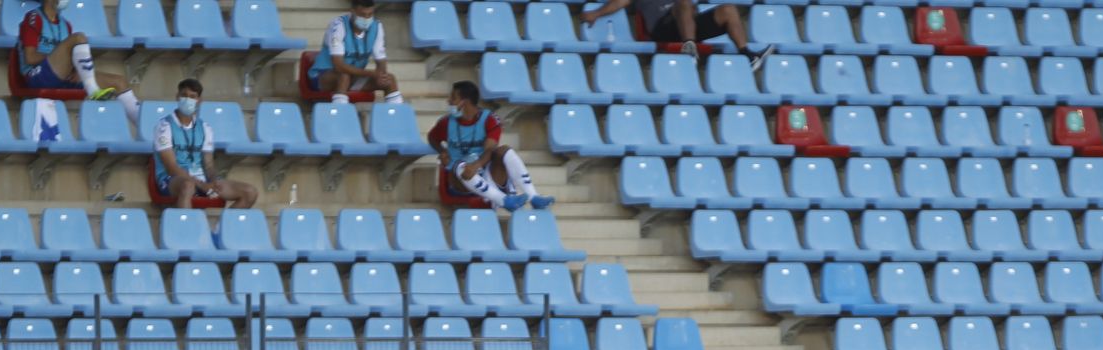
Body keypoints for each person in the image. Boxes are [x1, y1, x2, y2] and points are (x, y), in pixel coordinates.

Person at [429, 81, 553, 212]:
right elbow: (432, 138)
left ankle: (533, 197)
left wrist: (476, 165)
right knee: (461, 167)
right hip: (459, 177)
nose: (449, 101)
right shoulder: (446, 122)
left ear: (464, 102)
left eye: (453, 98)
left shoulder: (489, 119)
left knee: (505, 150)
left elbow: (490, 149)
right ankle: (504, 200)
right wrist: (442, 151)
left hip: (486, 170)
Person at [16, 0, 139, 123]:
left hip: (63, 76)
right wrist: (60, 58)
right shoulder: (33, 18)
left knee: (119, 82)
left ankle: (148, 129)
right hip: (37, 76)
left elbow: (69, 57)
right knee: (78, 37)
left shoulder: (65, 24)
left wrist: (74, 68)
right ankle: (93, 90)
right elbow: (30, 58)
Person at [153, 79, 259, 209]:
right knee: (188, 186)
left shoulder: (205, 127)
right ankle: (187, 229)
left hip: (201, 179)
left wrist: (214, 181)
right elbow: (171, 167)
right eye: (184, 95)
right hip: (171, 180)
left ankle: (220, 229)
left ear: (199, 100)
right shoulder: (164, 126)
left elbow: (208, 164)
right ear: (177, 97)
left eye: (192, 97)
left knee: (249, 192)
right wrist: (202, 185)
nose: (188, 100)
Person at [581, 0, 774, 69]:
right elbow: (619, 2)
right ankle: (689, 47)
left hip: (686, 24)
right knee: (683, 2)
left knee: (728, 9)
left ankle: (748, 55)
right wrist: (596, 14)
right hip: (663, 28)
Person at [308, 0, 403, 104]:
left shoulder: (377, 26)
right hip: (323, 77)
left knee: (390, 80)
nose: (366, 19)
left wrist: (381, 75)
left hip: (354, 77)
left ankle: (396, 117)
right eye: (362, 15)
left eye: (370, 14)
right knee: (343, 76)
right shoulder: (338, 25)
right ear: (352, 11)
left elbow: (380, 60)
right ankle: (340, 115)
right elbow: (339, 66)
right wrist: (371, 73)